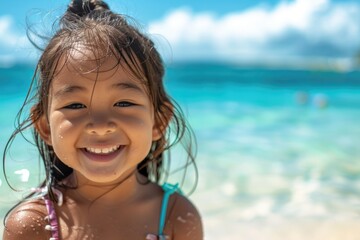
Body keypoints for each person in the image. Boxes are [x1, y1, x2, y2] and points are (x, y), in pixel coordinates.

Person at [2, 0, 203, 239]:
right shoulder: (31, 225)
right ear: (45, 126)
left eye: (124, 103)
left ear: (159, 122)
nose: (100, 126)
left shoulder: (175, 217)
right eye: (75, 105)